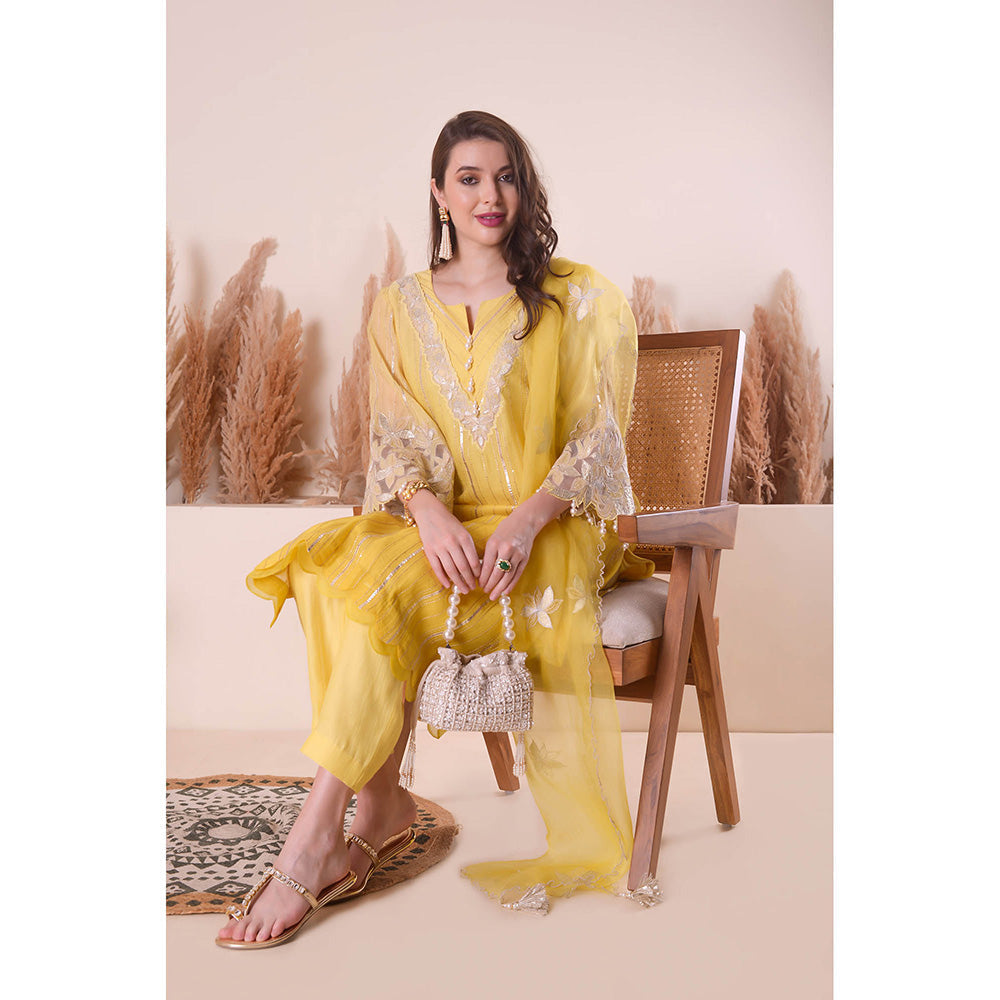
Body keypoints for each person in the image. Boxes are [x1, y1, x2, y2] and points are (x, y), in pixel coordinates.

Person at [216, 110, 654, 949]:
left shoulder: (578, 297)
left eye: (506, 176)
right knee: (330, 567)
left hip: (552, 527)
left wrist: (527, 517)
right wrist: (427, 513)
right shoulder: (399, 308)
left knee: (391, 595)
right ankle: (378, 804)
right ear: (439, 193)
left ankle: (319, 840)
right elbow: (398, 443)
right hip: (450, 521)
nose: (491, 195)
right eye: (470, 178)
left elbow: (598, 438)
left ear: (525, 187)